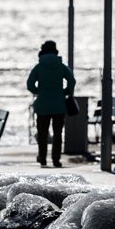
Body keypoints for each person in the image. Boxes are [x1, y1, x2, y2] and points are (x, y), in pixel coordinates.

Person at [27, 40, 76, 168]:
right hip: (59, 104)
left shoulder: (39, 67)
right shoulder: (61, 66)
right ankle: (56, 159)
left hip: (43, 104)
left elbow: (29, 84)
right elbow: (72, 81)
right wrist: (65, 92)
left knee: (42, 133)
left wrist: (39, 92)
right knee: (58, 133)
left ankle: (42, 157)